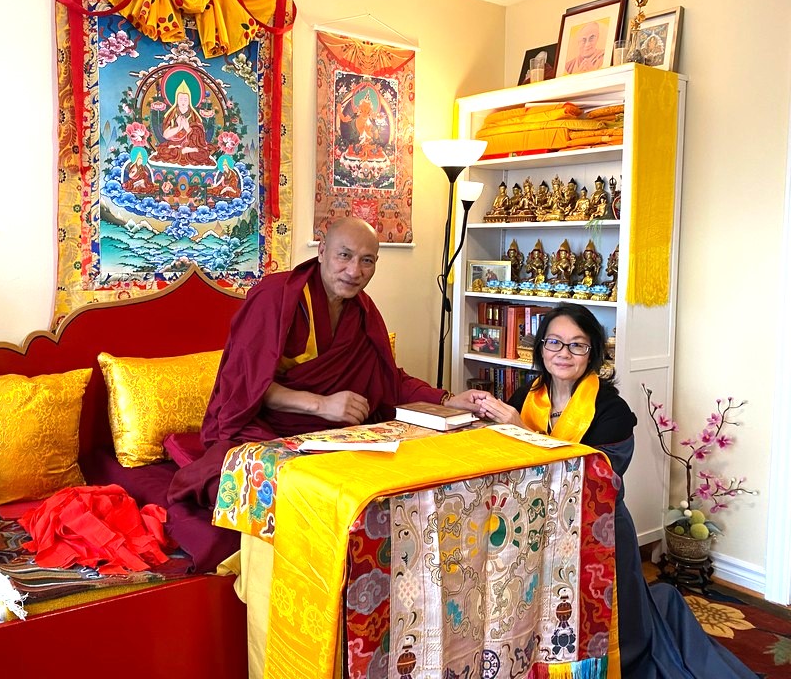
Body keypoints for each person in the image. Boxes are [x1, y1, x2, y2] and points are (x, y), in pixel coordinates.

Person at [166, 217, 483, 569]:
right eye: (344, 255)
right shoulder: (275, 297)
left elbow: (388, 379)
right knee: (276, 487)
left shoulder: (362, 311)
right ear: (321, 251)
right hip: (263, 427)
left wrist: (446, 400)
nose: (354, 271)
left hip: (333, 436)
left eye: (367, 260)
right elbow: (244, 387)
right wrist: (321, 405)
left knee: (396, 483)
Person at [472, 304, 755, 678]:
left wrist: (520, 429)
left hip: (598, 533)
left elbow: (594, 478)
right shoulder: (529, 394)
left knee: (605, 625)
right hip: (538, 529)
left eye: (577, 345)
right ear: (540, 347)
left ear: (592, 353)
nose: (563, 353)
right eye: (554, 342)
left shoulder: (611, 409)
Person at [151, 81, 215, 166]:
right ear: (176, 100)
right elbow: (165, 135)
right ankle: (182, 151)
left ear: (189, 101)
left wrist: (188, 128)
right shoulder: (171, 114)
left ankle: (187, 150)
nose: (183, 102)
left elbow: (201, 137)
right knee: (163, 151)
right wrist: (179, 128)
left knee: (202, 154)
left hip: (191, 145)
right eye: (180, 99)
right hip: (174, 144)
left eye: (185, 99)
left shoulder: (194, 116)